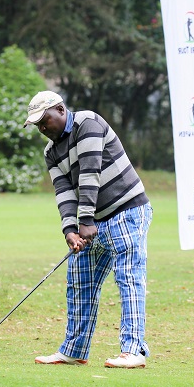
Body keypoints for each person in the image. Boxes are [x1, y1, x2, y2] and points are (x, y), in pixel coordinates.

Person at [23, 90, 153, 369]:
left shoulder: (88, 123)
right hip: (91, 221)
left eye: (45, 121)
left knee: (128, 278)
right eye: (38, 126)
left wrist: (85, 221)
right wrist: (70, 230)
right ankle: (74, 350)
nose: (43, 129)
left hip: (127, 210)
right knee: (79, 281)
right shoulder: (51, 152)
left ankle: (133, 351)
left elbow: (90, 172)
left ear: (60, 109)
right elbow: (64, 192)